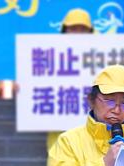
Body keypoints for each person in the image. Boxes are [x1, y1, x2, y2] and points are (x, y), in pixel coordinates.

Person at [46, 8, 94, 150]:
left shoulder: (102, 57)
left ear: (90, 32)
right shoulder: (49, 54)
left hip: (92, 132)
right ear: (64, 30)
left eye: (82, 29)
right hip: (59, 133)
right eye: (73, 28)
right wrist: (24, 88)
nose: (78, 33)